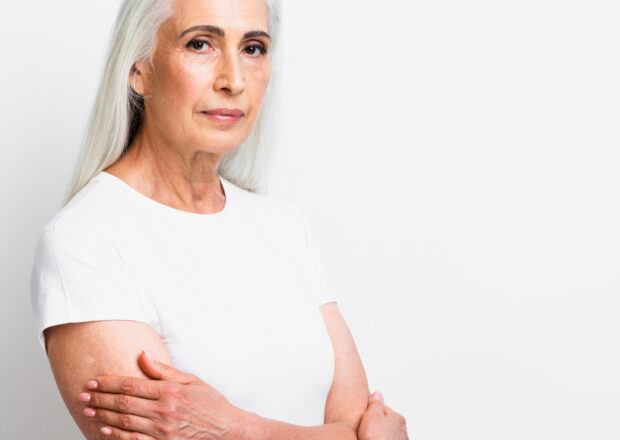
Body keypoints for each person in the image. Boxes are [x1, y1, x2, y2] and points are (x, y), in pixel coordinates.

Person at [28, 0, 408, 438]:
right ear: (139, 69)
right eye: (200, 44)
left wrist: (233, 427)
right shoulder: (84, 241)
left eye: (253, 48)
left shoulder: (286, 228)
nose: (234, 80)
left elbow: (358, 420)